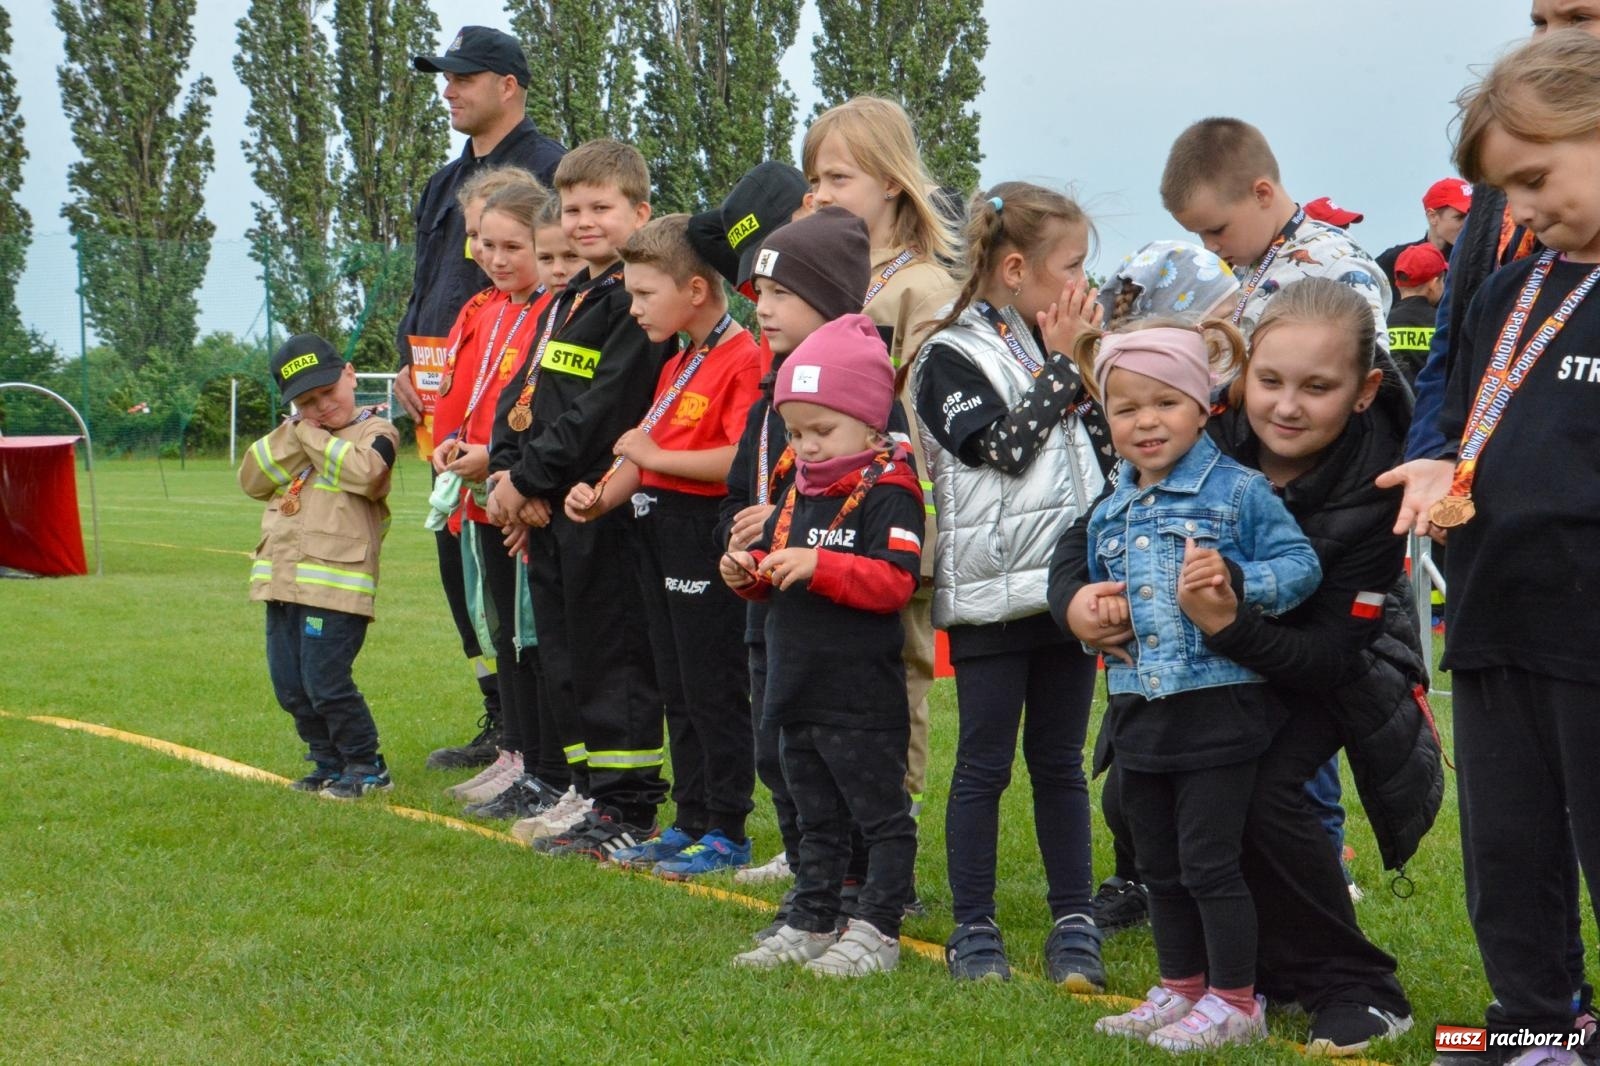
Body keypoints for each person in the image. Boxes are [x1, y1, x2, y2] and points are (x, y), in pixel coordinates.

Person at [1057, 277, 1430, 1055]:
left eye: (1317, 388)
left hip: (1332, 666)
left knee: (1256, 793)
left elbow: (1330, 657)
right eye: (1270, 381)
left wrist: (1230, 622)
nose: (1286, 406)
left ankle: (1356, 985)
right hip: (1205, 667)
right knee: (1136, 794)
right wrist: (1078, 603)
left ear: (1362, 393)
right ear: (1239, 373)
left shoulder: (1383, 481)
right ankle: (1224, 976)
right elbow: (1090, 525)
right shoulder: (1193, 417)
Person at [1382, 32, 1600, 1065]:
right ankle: (1530, 1026)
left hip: (1589, 632)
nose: (1517, 213)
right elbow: (1466, 414)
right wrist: (1438, 465)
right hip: (1490, 615)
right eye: (1503, 192)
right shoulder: (1504, 294)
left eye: (1534, 179)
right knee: (1507, 857)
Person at [1070, 320, 1322, 1050]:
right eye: (1126, 408)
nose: (1146, 422)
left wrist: (1240, 582)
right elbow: (1100, 588)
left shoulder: (1239, 492)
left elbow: (1301, 567)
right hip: (1137, 708)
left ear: (1204, 405)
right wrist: (1102, 606)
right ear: (1106, 418)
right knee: (1159, 866)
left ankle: (1237, 1002)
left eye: (1165, 403)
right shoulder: (1110, 507)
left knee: (1211, 861)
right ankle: (1180, 987)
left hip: (1220, 707)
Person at [905, 183, 1107, 986]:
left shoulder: (1052, 344)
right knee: (985, 764)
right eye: (1074, 267)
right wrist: (1065, 365)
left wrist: (1083, 364)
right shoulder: (946, 354)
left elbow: (1104, 448)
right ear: (1017, 268)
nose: (1084, 284)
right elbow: (1002, 447)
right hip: (992, 598)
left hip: (1066, 590)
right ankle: (975, 927)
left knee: (1059, 761)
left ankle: (1076, 919)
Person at [485, 139, 676, 860]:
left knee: (613, 661)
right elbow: (523, 395)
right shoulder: (569, 298)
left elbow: (605, 408)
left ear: (640, 211)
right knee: (566, 656)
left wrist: (532, 482)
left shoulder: (633, 301)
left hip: (603, 511)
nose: (585, 221)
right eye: (573, 208)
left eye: (602, 207)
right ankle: (590, 794)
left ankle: (628, 809)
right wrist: (507, 472)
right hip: (551, 510)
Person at [722, 314, 923, 977]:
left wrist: (819, 565)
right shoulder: (796, 485)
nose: (805, 446)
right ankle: (813, 919)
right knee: (815, 819)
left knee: (881, 819)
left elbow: (895, 582)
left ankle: (879, 930)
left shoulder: (890, 488)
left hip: (859, 697)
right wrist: (750, 577)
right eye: (795, 431)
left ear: (871, 425)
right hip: (795, 685)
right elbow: (786, 572)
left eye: (822, 431)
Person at [563, 214, 762, 878]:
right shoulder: (679, 359)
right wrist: (601, 494)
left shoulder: (744, 357)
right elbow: (644, 454)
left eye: (646, 294)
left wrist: (649, 457)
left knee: (714, 688)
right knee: (676, 687)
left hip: (703, 539)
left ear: (698, 290)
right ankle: (690, 821)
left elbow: (739, 458)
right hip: (656, 536)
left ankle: (728, 829)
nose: (634, 306)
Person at [400, 25, 566, 772]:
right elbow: (427, 283)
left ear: (509, 85)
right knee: (457, 570)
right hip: (441, 405)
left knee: (514, 579)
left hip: (513, 417)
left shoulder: (547, 169)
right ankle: (499, 712)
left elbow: (561, 290)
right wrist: (403, 361)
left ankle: (533, 733)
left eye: (464, 76)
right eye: (445, 76)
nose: (448, 89)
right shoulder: (443, 182)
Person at [802, 93, 958, 854]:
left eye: (838, 178)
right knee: (833, 677)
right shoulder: (848, 278)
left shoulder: (921, 289)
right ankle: (833, 834)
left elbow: (931, 426)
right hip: (828, 514)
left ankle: (887, 839)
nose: (822, 196)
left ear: (892, 180)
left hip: (895, 516)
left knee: (896, 680)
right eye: (816, 180)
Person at [715, 206, 873, 932]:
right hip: (768, 609)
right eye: (759, 294)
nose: (763, 307)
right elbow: (738, 493)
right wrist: (738, 543)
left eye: (780, 293)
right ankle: (812, 874)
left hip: (834, 621)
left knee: (838, 755)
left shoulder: (862, 396)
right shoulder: (770, 387)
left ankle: (858, 885)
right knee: (779, 746)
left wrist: (781, 526)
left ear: (830, 297)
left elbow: (871, 498)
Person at [426, 175, 574, 825]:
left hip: (521, 488)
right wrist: (456, 448)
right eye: (483, 244)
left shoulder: (546, 311)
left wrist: (504, 466)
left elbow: (534, 411)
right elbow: (476, 400)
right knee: (508, 633)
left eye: (511, 245)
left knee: (533, 635)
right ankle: (518, 753)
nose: (494, 257)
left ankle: (545, 765)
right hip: (486, 488)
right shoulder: (496, 309)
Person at [239, 334, 400, 800]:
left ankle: (366, 765)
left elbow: (368, 475)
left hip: (336, 588)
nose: (323, 407)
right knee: (290, 687)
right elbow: (251, 479)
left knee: (326, 684)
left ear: (350, 374)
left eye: (328, 393)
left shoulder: (377, 432)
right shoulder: (296, 437)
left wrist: (307, 431)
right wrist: (298, 431)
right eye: (307, 402)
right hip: (283, 583)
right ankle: (327, 762)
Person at [1161, 117, 1390, 348]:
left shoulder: (1337, 265)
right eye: (1199, 235)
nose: (1209, 247)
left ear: (1261, 194)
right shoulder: (1236, 268)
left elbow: (1373, 374)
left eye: (1217, 230)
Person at [1375, 178, 1473, 293]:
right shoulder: (1395, 259)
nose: (1468, 224)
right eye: (1460, 217)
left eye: (1472, 216)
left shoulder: (1477, 260)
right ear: (1432, 217)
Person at [1387, 242, 1448, 384]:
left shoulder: (1383, 322)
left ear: (1398, 283)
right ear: (1433, 284)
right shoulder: (1443, 323)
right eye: (1443, 281)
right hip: (1432, 403)